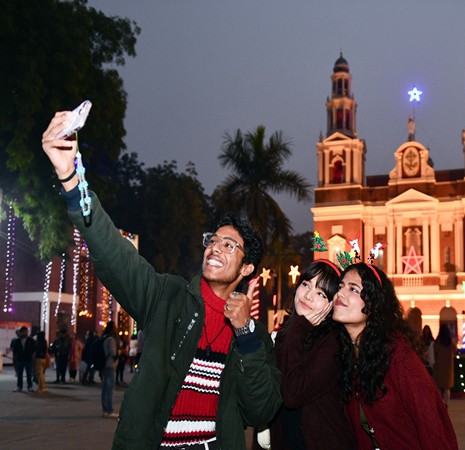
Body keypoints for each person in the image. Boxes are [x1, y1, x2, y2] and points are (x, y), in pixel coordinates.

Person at [41, 111, 281, 449]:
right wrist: (70, 178)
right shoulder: (166, 298)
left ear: (247, 269)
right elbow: (114, 255)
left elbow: (261, 410)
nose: (214, 248)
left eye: (229, 245)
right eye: (212, 240)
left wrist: (246, 336)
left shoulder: (254, 339)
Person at [332, 263, 457, 449]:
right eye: (340, 286)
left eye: (353, 289)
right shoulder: (347, 358)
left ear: (373, 303)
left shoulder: (399, 356)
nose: (340, 293)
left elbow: (433, 426)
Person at [268, 260, 356, 450]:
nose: (308, 296)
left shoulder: (333, 343)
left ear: (332, 304)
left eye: (320, 293)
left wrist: (299, 327)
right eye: (306, 285)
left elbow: (293, 393)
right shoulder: (285, 337)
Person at [433, 323, 455, 406]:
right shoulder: (450, 342)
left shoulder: (438, 342)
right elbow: (455, 351)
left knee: (439, 386)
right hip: (448, 366)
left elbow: (434, 351)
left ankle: (440, 403)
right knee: (447, 387)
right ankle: (446, 403)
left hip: (439, 365)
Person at [101, 321, 119, 418]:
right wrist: (119, 352)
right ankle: (109, 410)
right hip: (110, 365)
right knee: (109, 389)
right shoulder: (111, 339)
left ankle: (105, 410)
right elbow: (113, 353)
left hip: (104, 365)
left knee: (105, 389)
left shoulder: (104, 337)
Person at [11, 326, 36, 392]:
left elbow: (34, 350)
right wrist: (14, 361)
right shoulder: (17, 341)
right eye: (24, 332)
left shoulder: (31, 340)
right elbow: (15, 352)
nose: (25, 333)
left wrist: (33, 358)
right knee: (19, 374)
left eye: (26, 332)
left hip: (28, 359)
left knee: (29, 374)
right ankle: (19, 386)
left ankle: (30, 386)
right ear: (21, 332)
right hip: (20, 359)